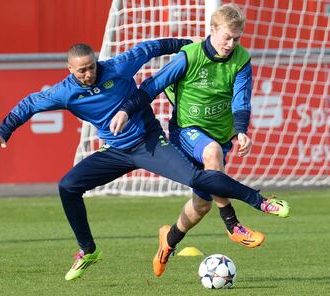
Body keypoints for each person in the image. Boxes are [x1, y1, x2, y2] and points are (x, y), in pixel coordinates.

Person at [0, 39, 286, 281]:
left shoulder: (117, 66)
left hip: (150, 144)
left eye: (91, 67)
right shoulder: (64, 92)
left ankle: (258, 201)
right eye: (81, 71)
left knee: (198, 181)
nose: (88, 74)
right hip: (115, 152)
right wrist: (3, 131)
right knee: (67, 186)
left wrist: (190, 45)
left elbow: (153, 48)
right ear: (69, 70)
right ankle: (88, 250)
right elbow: (28, 105)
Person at [110, 4, 290, 277]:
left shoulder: (241, 59)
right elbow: (151, 86)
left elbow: (242, 100)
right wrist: (125, 109)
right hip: (186, 131)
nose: (231, 44)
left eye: (237, 38)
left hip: (221, 132)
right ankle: (233, 225)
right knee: (212, 153)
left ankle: (167, 242)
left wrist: (241, 130)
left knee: (201, 205)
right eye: (227, 37)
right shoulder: (189, 57)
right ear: (212, 30)